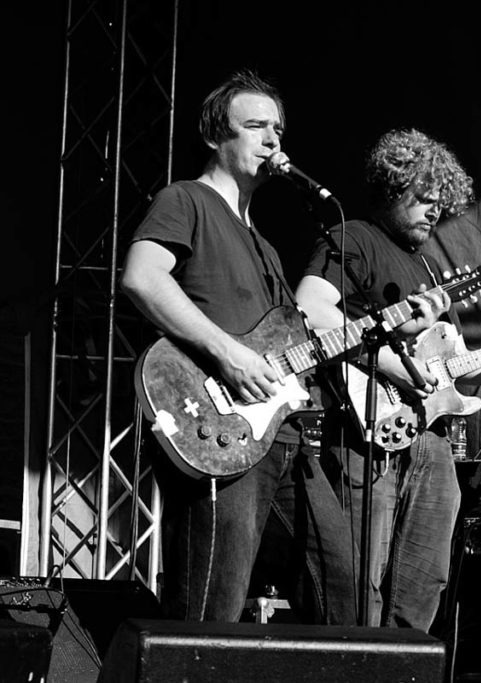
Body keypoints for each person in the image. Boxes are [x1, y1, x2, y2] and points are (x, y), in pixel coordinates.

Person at [294, 128, 481, 631]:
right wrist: (394, 366)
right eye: (423, 198)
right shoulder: (354, 237)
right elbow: (312, 312)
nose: (434, 211)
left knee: (425, 582)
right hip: (368, 430)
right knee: (360, 582)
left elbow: (455, 366)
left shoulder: (426, 268)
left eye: (440, 203)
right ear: (392, 187)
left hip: (432, 439)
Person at [120, 70, 359, 624]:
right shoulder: (187, 200)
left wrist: (377, 331)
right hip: (218, 430)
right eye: (255, 126)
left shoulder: (268, 248)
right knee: (211, 605)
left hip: (282, 436)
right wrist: (229, 354)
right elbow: (143, 277)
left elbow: (290, 344)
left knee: (342, 591)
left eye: (277, 128)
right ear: (214, 136)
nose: (274, 140)